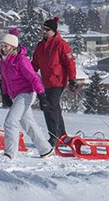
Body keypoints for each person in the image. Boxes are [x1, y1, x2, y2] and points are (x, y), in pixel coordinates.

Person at [0, 28, 54, 159]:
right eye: (2, 46)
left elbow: (34, 79)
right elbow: (4, 80)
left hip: (27, 93)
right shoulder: (3, 61)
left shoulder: (21, 60)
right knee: (28, 123)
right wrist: (5, 95)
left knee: (10, 121)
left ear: (13, 47)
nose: (3, 49)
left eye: (6, 46)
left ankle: (9, 154)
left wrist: (42, 96)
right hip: (16, 95)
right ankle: (46, 149)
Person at [30, 16, 77, 145]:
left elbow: (70, 63)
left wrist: (72, 79)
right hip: (46, 82)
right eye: (43, 29)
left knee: (49, 107)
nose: (44, 31)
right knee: (55, 108)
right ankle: (62, 136)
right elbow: (35, 64)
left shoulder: (61, 44)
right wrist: (27, 74)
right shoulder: (40, 45)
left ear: (54, 31)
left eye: (47, 29)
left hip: (58, 81)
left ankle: (54, 137)